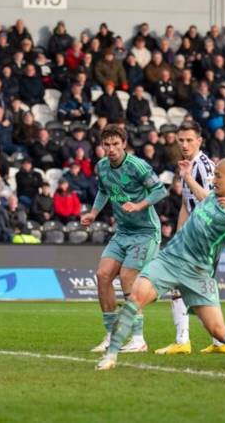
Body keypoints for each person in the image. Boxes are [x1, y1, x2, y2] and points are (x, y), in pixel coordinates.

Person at [95, 158, 225, 371]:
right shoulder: (214, 196)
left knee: (218, 331)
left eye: (218, 176)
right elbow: (203, 196)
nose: (213, 179)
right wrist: (188, 177)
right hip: (169, 260)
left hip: (198, 273)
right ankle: (111, 356)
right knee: (135, 298)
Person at [81, 125, 168, 354]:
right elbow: (103, 190)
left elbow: (161, 191)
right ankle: (111, 336)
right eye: (107, 145)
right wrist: (93, 213)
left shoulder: (137, 166)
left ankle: (138, 339)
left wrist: (138, 205)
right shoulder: (102, 166)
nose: (111, 149)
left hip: (146, 231)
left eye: (115, 144)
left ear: (124, 144)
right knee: (102, 275)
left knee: (128, 276)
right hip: (123, 232)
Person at [154, 121, 225, 356]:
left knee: (178, 284)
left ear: (199, 141)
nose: (184, 144)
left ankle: (183, 341)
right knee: (198, 288)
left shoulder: (204, 166)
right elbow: (187, 206)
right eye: (181, 140)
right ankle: (219, 342)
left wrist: (186, 178)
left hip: (206, 236)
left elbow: (211, 199)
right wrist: (179, 235)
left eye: (189, 140)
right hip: (194, 236)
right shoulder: (189, 165)